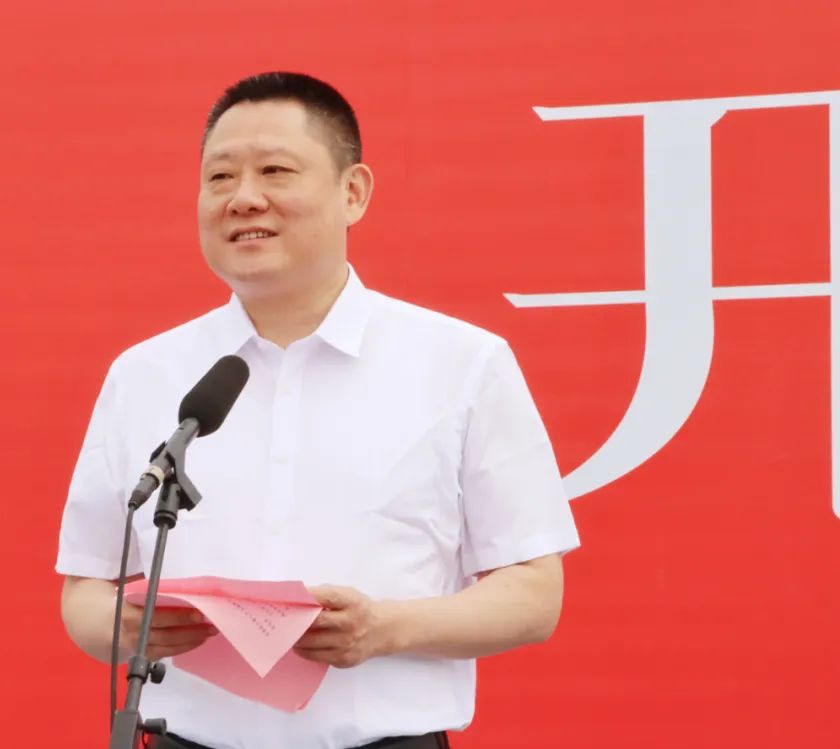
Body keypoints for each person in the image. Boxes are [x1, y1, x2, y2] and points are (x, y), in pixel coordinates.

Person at [56, 71, 580, 749]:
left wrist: (383, 629)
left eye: (275, 171)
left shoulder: (462, 362)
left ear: (352, 192)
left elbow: (534, 594)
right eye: (220, 178)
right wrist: (123, 627)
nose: (244, 198)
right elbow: (84, 590)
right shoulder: (144, 374)